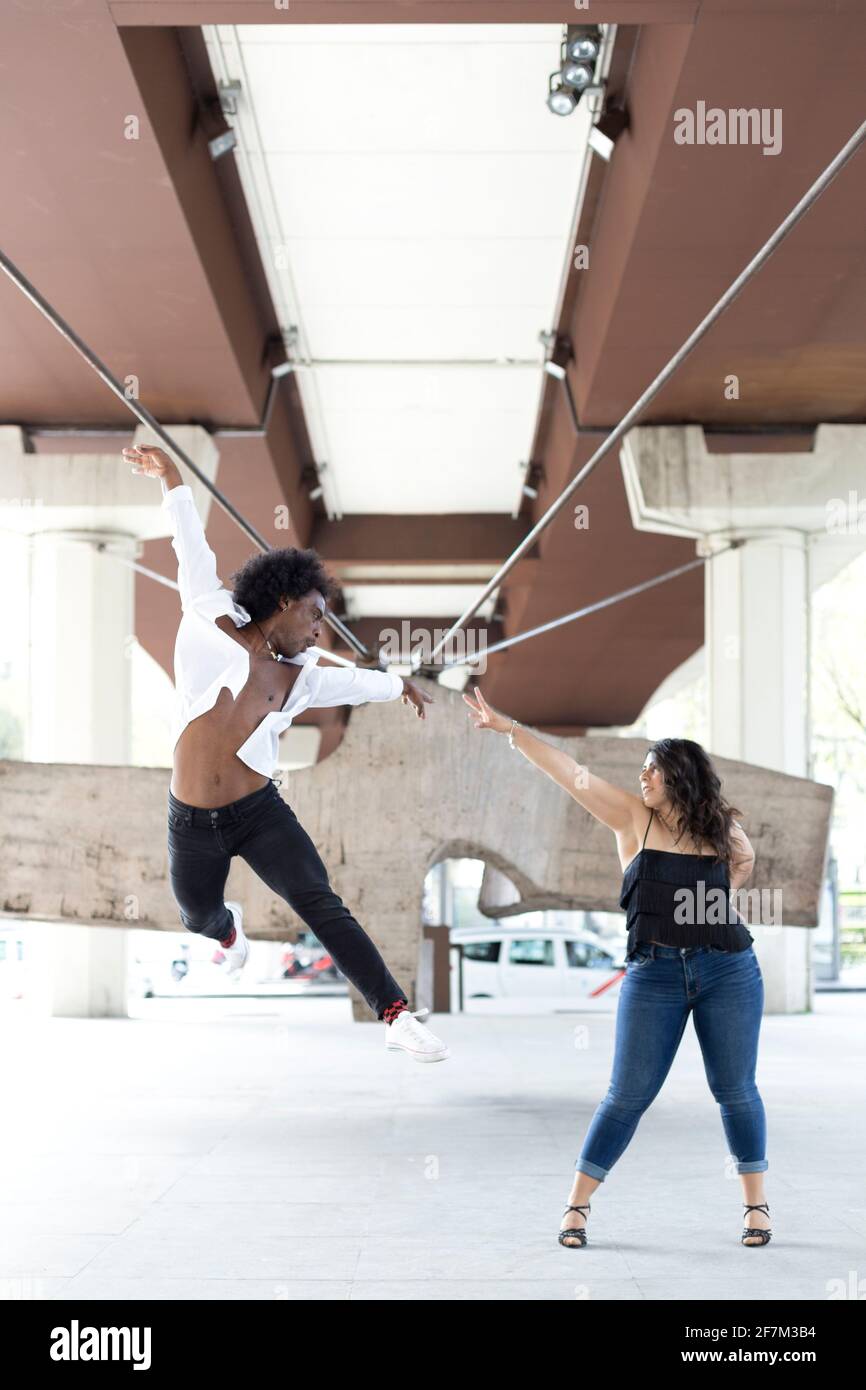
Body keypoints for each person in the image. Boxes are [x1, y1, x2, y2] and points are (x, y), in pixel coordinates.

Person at [126, 444, 449, 1063]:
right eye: (315, 615)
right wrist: (171, 477)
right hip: (190, 819)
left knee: (319, 900)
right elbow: (190, 544)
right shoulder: (207, 613)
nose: (318, 630)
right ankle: (227, 931)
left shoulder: (302, 677)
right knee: (197, 914)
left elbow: (358, 682)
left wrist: (398, 684)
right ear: (283, 602)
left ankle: (395, 1013)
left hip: (258, 812)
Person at [463, 685, 771, 1247]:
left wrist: (719, 888)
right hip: (653, 974)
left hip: (728, 969)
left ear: (678, 775)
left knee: (735, 1090)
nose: (642, 778)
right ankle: (577, 1207)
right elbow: (569, 771)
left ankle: (757, 1209)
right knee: (627, 1095)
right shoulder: (632, 819)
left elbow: (740, 873)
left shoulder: (720, 830)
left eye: (651, 770)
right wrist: (511, 730)